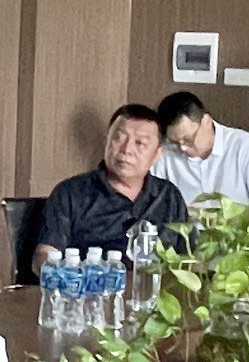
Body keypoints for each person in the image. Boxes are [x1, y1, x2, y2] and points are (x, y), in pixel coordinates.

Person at [35, 104, 188, 265]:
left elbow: (189, 257)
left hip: (153, 281)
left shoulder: (169, 196)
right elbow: (45, 254)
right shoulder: (71, 193)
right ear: (106, 140)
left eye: (140, 143)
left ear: (157, 154)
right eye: (119, 138)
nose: (126, 150)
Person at [153, 90, 249, 205]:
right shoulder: (165, 153)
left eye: (188, 139)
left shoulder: (245, 146)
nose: (183, 148)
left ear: (207, 121)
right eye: (175, 142)